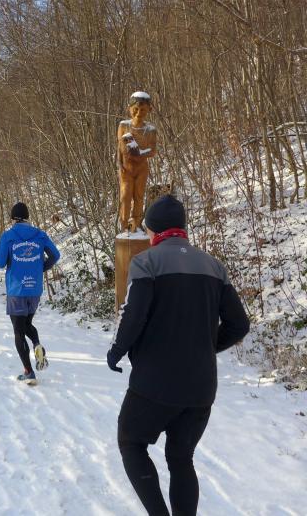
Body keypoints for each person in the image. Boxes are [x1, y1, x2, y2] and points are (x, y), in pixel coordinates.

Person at [107, 194, 249, 516]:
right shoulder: (214, 266)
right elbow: (239, 325)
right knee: (181, 458)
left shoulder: (146, 262)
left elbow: (133, 316)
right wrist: (205, 347)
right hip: (200, 387)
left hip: (154, 384)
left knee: (131, 442)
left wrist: (116, 351)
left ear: (154, 230)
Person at [0, 202, 59, 385]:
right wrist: (41, 268)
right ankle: (37, 344)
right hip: (35, 289)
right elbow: (55, 255)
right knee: (27, 324)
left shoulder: (8, 236)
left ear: (13, 218)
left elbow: (0, 262)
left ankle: (29, 372)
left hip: (17, 290)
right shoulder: (40, 234)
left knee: (19, 331)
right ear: (27, 217)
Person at [117, 91, 157, 232]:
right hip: (126, 169)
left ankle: (136, 223)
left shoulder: (150, 130)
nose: (139, 113)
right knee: (125, 196)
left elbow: (153, 150)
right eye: (136, 109)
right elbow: (119, 147)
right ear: (129, 108)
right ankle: (124, 224)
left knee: (139, 196)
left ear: (149, 110)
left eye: (143, 110)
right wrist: (120, 165)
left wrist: (140, 153)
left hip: (141, 168)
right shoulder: (123, 126)